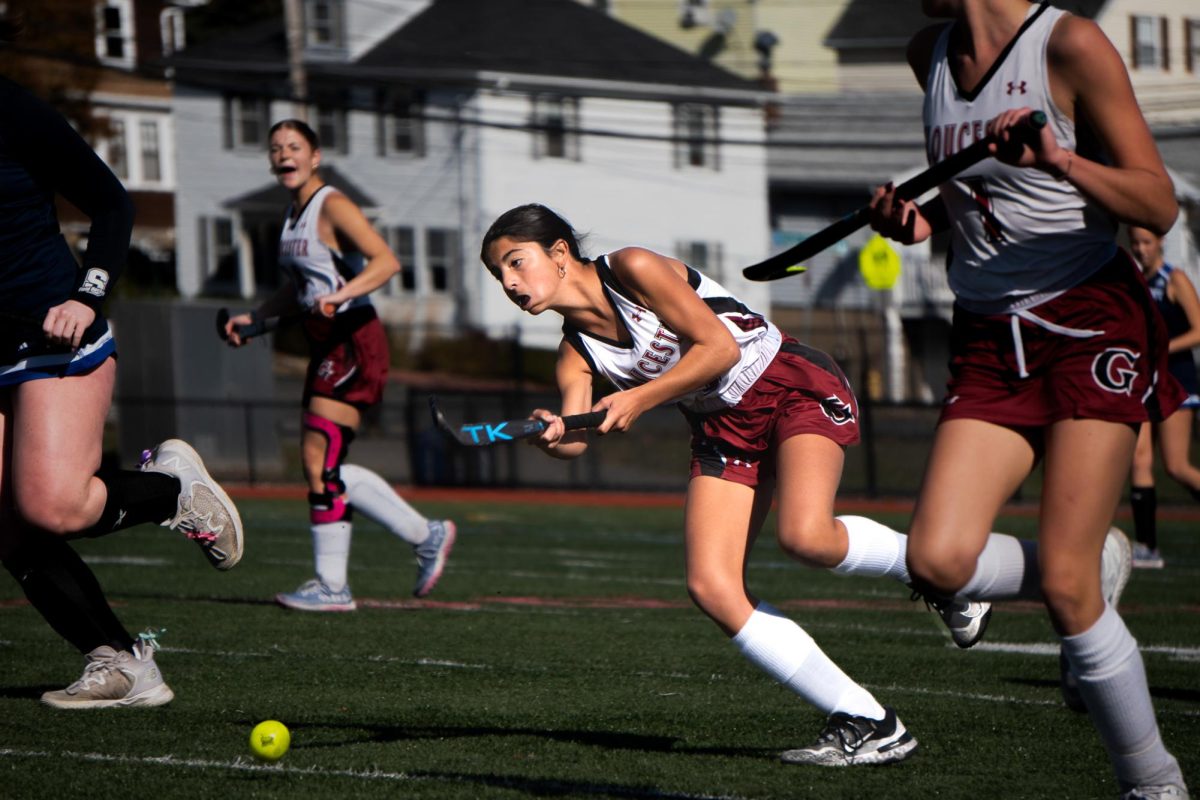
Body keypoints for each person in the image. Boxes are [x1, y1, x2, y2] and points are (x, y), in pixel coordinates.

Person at [478, 203, 1008, 767]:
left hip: (787, 386)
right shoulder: (575, 354)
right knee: (712, 587)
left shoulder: (632, 268)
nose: (510, 283)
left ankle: (945, 575)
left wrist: (638, 396)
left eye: (516, 262)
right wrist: (552, 433)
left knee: (807, 537)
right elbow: (577, 439)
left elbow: (720, 349)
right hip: (720, 429)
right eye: (499, 274)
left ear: (560, 253)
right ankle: (869, 721)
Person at [867, 1, 1188, 796]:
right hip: (986, 332)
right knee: (938, 560)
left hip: (1087, 319)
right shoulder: (929, 53)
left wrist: (1061, 160)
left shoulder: (1069, 43)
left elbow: (1156, 203)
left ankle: (1154, 782)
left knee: (1066, 588)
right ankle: (1102, 560)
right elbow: (974, 194)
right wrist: (921, 219)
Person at [0, 72, 244, 708]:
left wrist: (87, 295)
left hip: (54, 337)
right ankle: (120, 664)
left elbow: (112, 204)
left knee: (54, 507)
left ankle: (173, 490)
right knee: (8, 524)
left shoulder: (13, 110)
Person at [223, 119, 454, 611]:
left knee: (318, 459)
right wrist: (258, 320)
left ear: (315, 156)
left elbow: (386, 262)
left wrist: (342, 295)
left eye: (294, 146)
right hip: (327, 345)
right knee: (325, 466)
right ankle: (425, 534)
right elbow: (302, 287)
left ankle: (334, 587)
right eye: (276, 148)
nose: (284, 154)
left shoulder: (333, 203)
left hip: (354, 340)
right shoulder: (292, 215)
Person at [1127, 225, 1200, 569]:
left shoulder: (1176, 280)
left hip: (1177, 379)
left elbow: (1199, 331)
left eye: (1146, 242)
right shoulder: (1135, 282)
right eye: (1135, 242)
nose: (1140, 249)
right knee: (1139, 460)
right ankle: (1147, 547)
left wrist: (1160, 349)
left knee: (1176, 466)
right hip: (1144, 380)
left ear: (1160, 243)